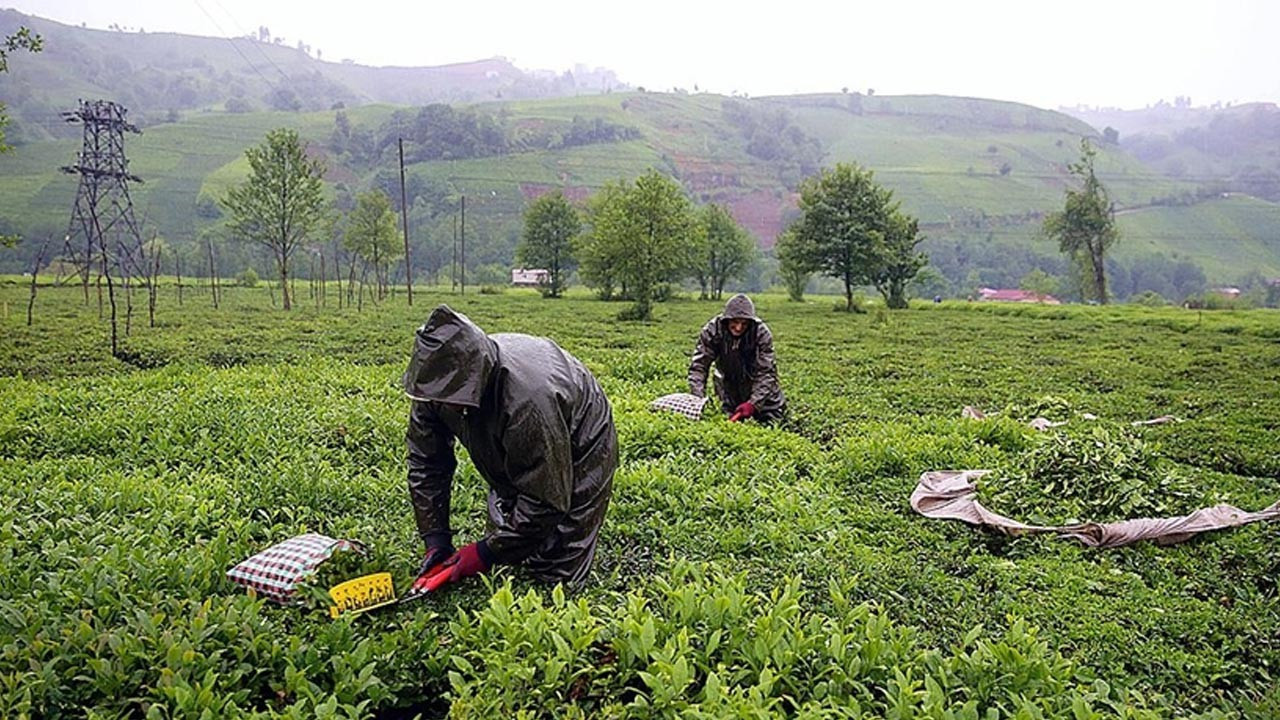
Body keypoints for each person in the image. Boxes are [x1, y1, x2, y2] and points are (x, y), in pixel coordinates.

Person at [402, 305, 617, 592]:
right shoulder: (432, 384)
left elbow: (547, 500)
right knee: (510, 536)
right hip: (525, 417)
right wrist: (436, 541)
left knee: (557, 567)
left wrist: (482, 554)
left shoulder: (529, 400)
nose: (446, 405)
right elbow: (426, 464)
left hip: (583, 431)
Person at [687, 293, 786, 424]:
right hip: (728, 390)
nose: (739, 328)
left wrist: (753, 404)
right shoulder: (713, 330)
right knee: (726, 425)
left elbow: (766, 372)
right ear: (727, 319)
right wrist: (697, 398)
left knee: (772, 425)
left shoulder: (760, 333)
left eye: (744, 323)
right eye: (734, 322)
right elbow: (699, 366)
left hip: (763, 395)